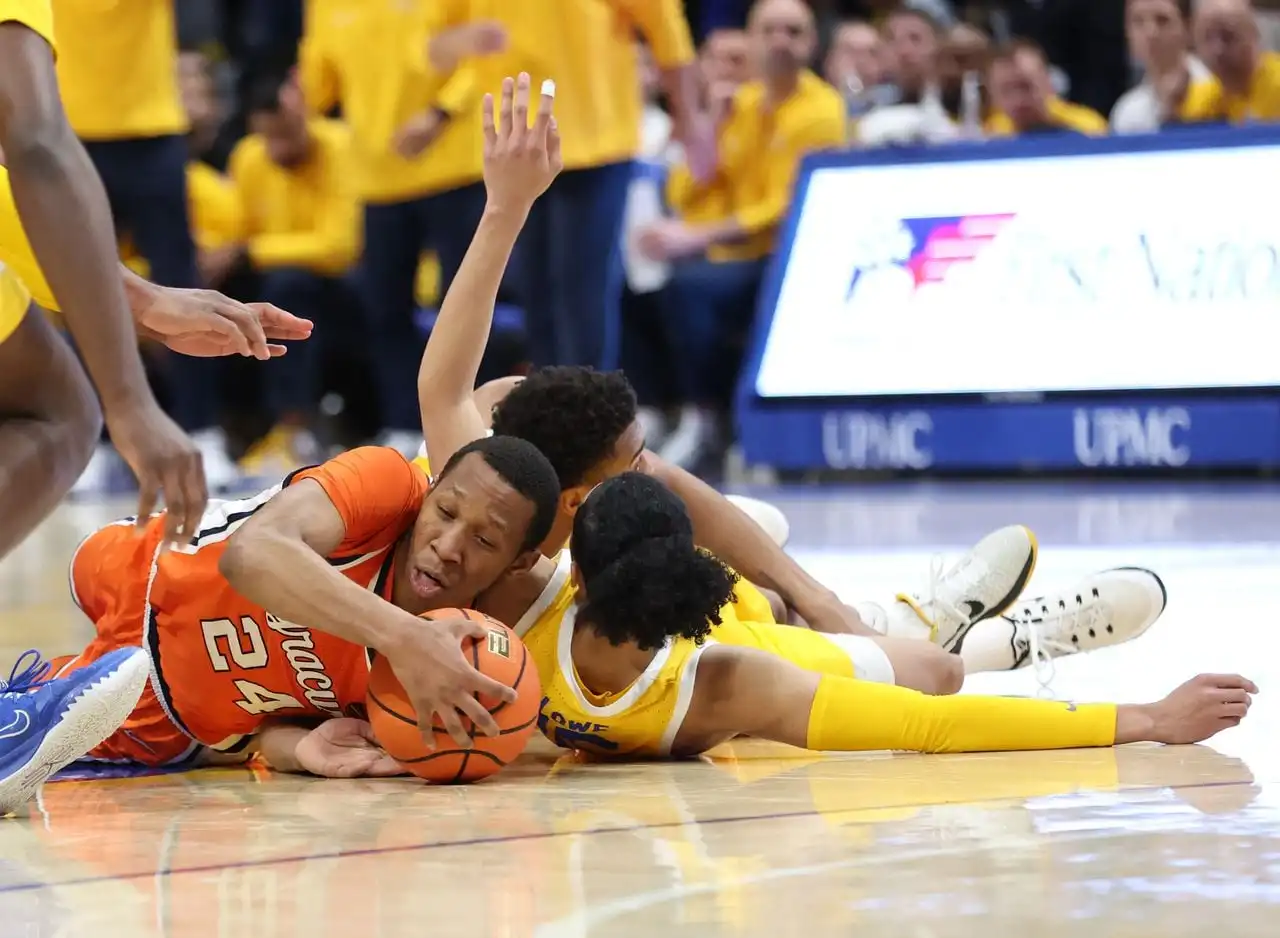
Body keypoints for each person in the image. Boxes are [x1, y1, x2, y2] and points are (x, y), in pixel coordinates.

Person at [415, 73, 1035, 653]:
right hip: (572, 607)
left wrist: (819, 600)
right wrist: (505, 208)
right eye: (631, 467)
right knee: (761, 607)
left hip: (606, 574)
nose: (446, 539)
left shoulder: (525, 499)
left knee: (758, 582)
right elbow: (441, 387)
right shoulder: (493, 518)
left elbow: (452, 394)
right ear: (577, 500)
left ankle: (881, 621)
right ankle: (958, 636)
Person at [526, 472, 1253, 758]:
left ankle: (993, 637)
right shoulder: (511, 612)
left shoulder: (733, 678)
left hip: (740, 621)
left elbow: (933, 722)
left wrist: (1153, 720)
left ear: (574, 568)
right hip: (701, 611)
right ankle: (961, 629)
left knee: (937, 675)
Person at [49, 433, 560, 775]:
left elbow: (264, 732)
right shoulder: (386, 483)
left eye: (485, 542)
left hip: (164, 714)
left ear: (519, 561)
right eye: (444, 511)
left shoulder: (459, 658)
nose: (448, 547)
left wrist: (301, 751)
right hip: (143, 567)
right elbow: (252, 554)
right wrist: (404, 637)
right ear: (427, 494)